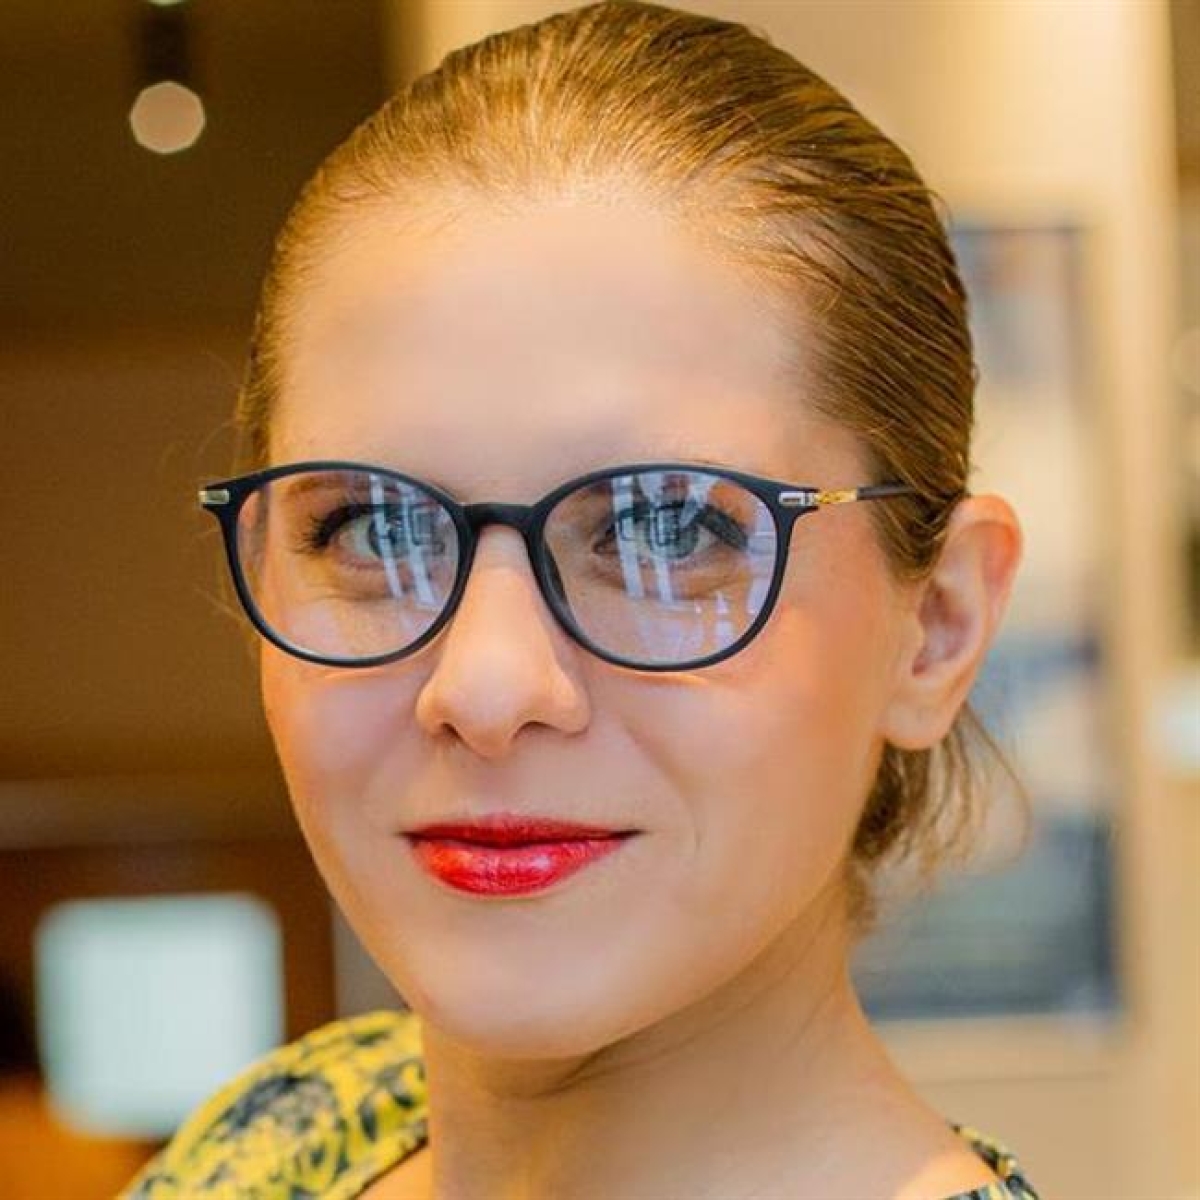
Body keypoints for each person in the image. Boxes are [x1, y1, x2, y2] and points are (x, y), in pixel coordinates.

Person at [120, 2, 1039, 1197]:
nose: (487, 687)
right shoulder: (278, 1140)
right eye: (373, 528)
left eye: (666, 529)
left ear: (940, 626)